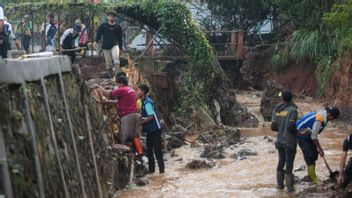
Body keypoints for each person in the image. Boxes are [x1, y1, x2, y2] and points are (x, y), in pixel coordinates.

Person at [296, 106, 340, 184]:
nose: (333, 119)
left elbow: (313, 134)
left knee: (314, 155)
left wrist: (318, 150)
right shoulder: (319, 119)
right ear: (329, 114)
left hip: (308, 133)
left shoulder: (324, 116)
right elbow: (314, 136)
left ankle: (311, 175)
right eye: (334, 117)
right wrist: (320, 149)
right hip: (300, 134)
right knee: (310, 156)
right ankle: (313, 178)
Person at [94, 75, 139, 145]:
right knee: (134, 136)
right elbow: (119, 101)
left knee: (125, 136)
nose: (117, 86)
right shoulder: (130, 90)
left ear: (121, 83)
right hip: (135, 114)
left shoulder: (122, 89)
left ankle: (126, 151)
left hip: (127, 115)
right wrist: (107, 102)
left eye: (117, 84)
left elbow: (108, 94)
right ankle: (139, 152)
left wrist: (99, 87)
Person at [271, 90, 298, 192]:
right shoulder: (293, 110)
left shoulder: (276, 110)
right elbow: (291, 127)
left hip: (280, 140)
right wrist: (298, 133)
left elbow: (273, 127)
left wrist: (281, 128)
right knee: (289, 164)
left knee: (281, 161)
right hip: (290, 141)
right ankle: (290, 188)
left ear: (282, 98)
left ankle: (280, 185)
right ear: (291, 99)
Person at [136, 84, 165, 174]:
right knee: (149, 150)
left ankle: (161, 172)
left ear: (143, 92)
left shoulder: (147, 102)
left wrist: (140, 123)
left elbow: (151, 116)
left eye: (138, 90)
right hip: (150, 130)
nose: (137, 92)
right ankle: (152, 171)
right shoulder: (143, 101)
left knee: (157, 150)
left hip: (155, 129)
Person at [93, 11, 123, 76]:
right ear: (107, 17)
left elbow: (120, 38)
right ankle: (110, 75)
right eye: (110, 17)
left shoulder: (118, 27)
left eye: (112, 17)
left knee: (116, 59)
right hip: (106, 46)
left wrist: (120, 48)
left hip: (115, 45)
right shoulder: (103, 25)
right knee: (108, 63)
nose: (111, 18)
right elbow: (99, 34)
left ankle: (117, 74)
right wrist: (96, 41)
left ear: (114, 18)